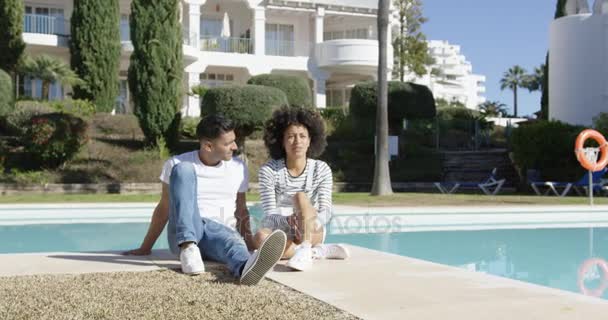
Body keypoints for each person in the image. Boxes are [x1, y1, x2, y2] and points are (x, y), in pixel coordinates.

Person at [124, 115, 286, 285]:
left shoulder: (239, 167)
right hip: (181, 235)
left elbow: (241, 209)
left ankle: (245, 268)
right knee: (183, 170)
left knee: (233, 241)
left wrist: (250, 243)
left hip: (217, 235)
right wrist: (146, 247)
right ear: (208, 146)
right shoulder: (176, 163)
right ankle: (188, 246)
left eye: (234, 141)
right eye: (228, 143)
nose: (235, 146)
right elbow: (165, 208)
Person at [254, 107, 349, 271]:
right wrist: (288, 223)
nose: (297, 141)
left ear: (310, 140)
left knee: (300, 197)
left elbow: (326, 210)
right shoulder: (268, 170)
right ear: (281, 142)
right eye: (290, 136)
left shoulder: (321, 169)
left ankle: (305, 247)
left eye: (302, 136)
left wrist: (307, 224)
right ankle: (315, 252)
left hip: (312, 229)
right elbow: (270, 214)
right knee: (260, 237)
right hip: (281, 231)